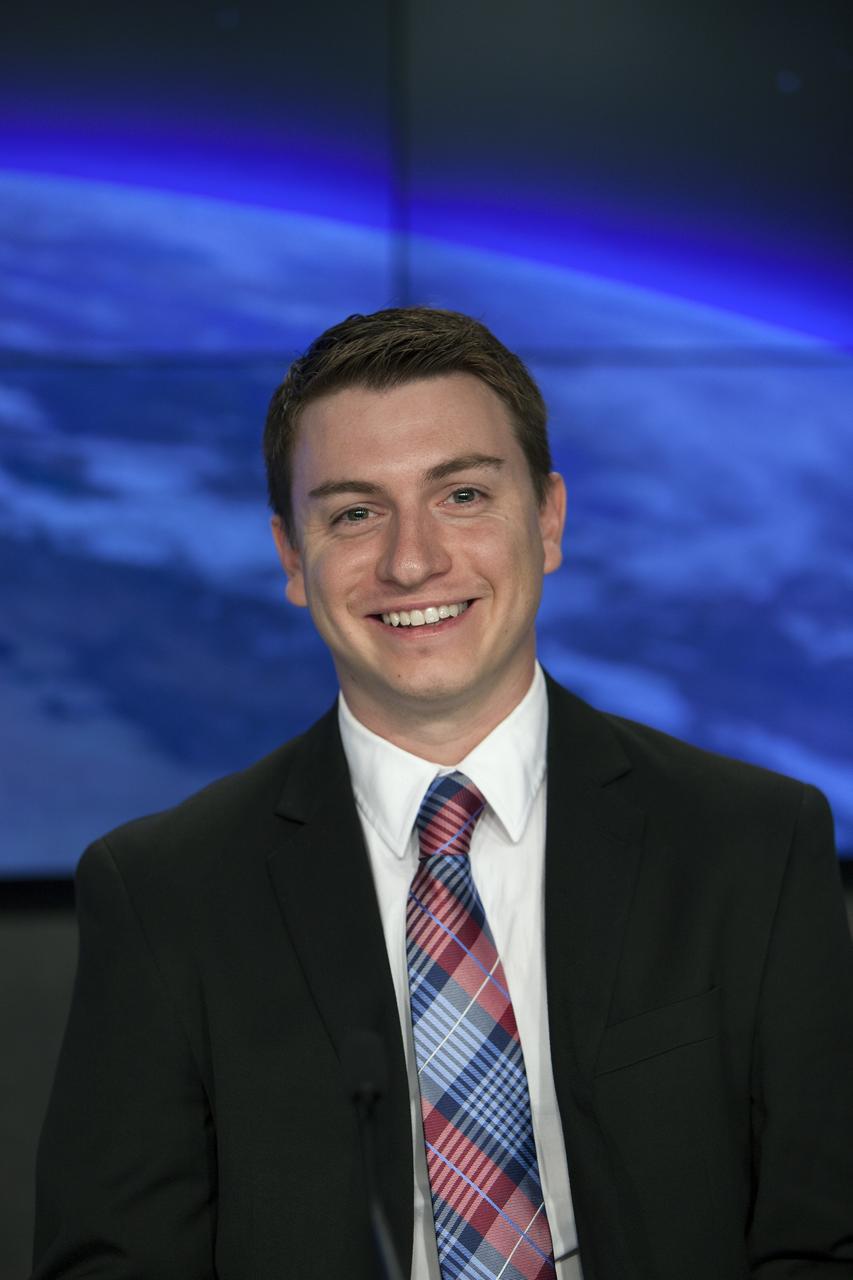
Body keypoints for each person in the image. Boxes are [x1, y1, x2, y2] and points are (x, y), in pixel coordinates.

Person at [32, 307, 853, 1280]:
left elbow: (823, 1239)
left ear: (547, 519)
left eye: (462, 494)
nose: (411, 560)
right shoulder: (163, 890)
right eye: (353, 513)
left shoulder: (752, 843)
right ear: (292, 558)